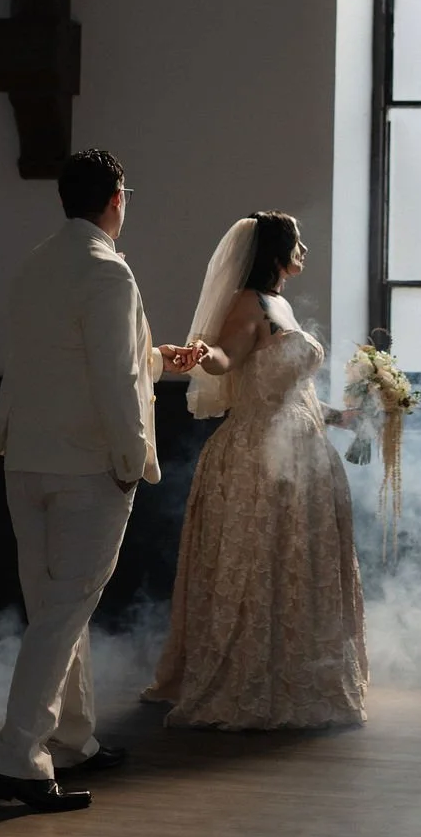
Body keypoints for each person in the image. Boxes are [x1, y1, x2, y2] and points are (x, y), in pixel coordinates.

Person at [0, 149, 199, 812]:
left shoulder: (36, 264)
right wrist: (133, 462)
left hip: (27, 458)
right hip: (86, 465)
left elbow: (80, 361)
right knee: (64, 611)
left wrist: (157, 357)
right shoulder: (110, 272)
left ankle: (71, 738)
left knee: (54, 605)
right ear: (117, 199)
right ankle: (18, 754)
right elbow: (111, 380)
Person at [143, 212, 368, 728]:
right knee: (256, 559)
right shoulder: (249, 302)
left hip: (301, 447)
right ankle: (248, 673)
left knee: (293, 559)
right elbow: (226, 356)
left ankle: (297, 669)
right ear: (273, 253)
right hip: (258, 452)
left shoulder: (281, 304)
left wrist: (341, 417)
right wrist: (204, 353)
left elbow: (296, 388)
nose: (303, 250)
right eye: (296, 242)